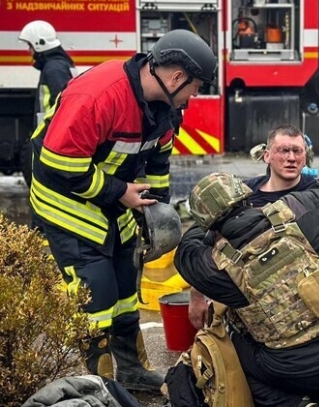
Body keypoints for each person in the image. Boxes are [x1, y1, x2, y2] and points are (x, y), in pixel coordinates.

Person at [29, 29, 217, 394]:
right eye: (195, 87)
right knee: (97, 294)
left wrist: (156, 212)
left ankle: (132, 372)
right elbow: (58, 164)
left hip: (115, 201)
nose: (194, 96)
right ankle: (99, 387)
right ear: (177, 78)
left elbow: (158, 164)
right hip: (66, 202)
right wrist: (120, 192)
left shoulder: (164, 108)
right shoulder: (99, 95)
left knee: (126, 286)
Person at [176, 172, 319, 407]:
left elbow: (185, 248)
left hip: (293, 377)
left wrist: (208, 221)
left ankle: (292, 404)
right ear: (246, 197)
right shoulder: (298, 207)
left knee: (231, 349)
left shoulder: (213, 266)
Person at [187, 125, 319, 330]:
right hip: (261, 306)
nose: (291, 158)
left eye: (297, 151)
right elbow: (209, 248)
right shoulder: (242, 196)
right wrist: (197, 296)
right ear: (267, 156)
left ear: (305, 157)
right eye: (283, 151)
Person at [19, 20, 78, 187]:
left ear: (39, 44)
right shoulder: (57, 65)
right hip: (51, 132)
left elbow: (65, 103)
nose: (29, 50)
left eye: (30, 45)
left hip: (50, 133)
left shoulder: (54, 68)